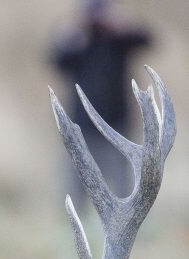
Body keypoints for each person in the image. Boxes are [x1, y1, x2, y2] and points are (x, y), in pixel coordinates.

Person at [50, 0, 152, 206]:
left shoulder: (118, 39)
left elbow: (147, 39)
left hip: (117, 127)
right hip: (81, 128)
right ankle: (75, 228)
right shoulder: (79, 42)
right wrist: (72, 37)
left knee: (124, 187)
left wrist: (120, 25)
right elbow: (56, 60)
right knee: (76, 187)